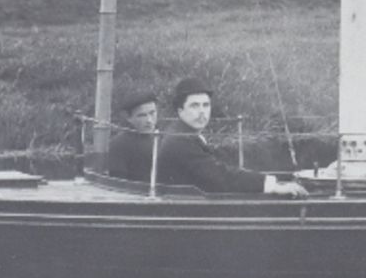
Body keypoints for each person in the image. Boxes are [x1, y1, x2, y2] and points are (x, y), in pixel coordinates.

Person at [155, 79, 309, 196]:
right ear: (180, 110)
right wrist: (272, 186)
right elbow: (220, 176)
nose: (202, 112)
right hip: (185, 213)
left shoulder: (183, 133)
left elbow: (216, 160)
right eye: (194, 106)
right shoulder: (180, 141)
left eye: (206, 105)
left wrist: (274, 175)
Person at [105, 93, 160, 183]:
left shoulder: (161, 137)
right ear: (129, 118)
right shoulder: (119, 145)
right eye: (142, 115)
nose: (149, 120)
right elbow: (118, 184)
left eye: (152, 113)